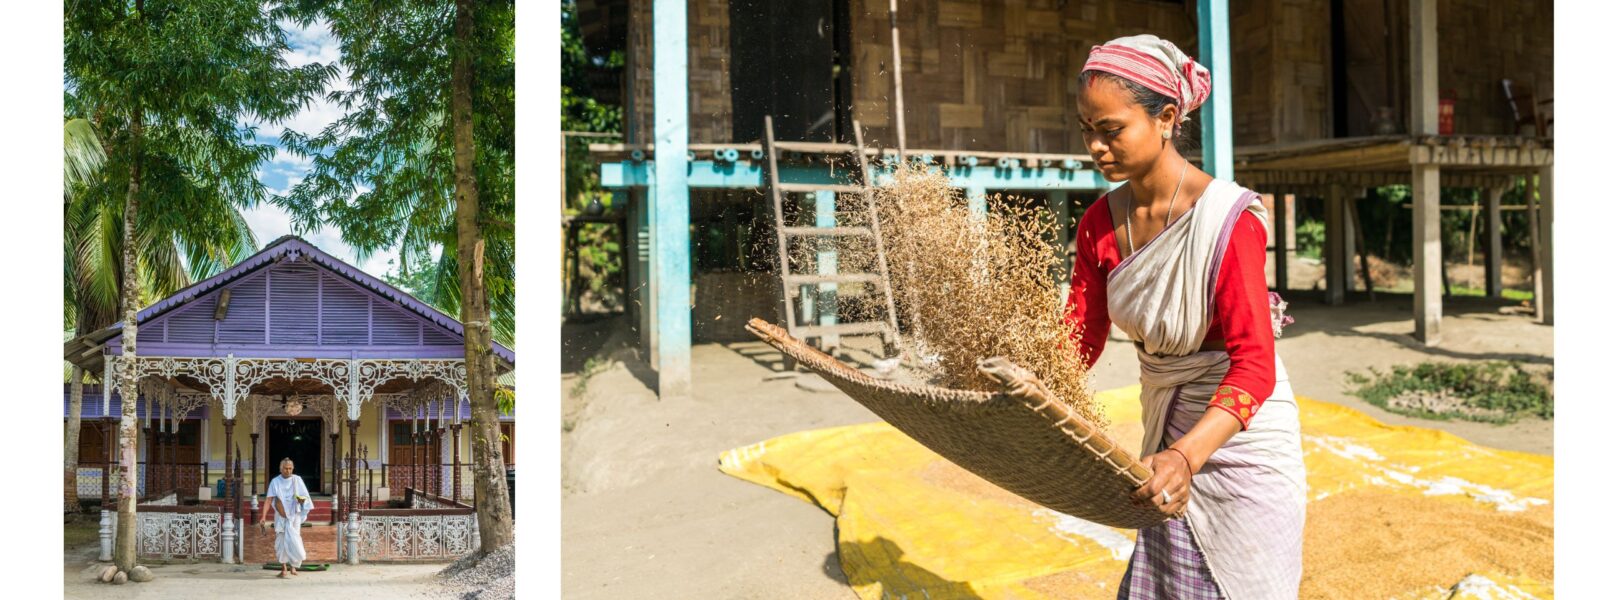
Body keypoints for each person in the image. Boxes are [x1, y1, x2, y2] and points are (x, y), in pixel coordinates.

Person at [1065, 34, 1307, 599]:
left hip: (1238, 443)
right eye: (1087, 130)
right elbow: (1078, 338)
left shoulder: (1226, 220)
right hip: (1166, 444)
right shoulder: (1100, 224)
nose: (1097, 147)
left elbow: (1254, 366)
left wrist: (1183, 457)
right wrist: (1025, 390)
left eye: (1112, 130)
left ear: (1168, 117)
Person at [258, 457, 314, 578]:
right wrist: (263, 516)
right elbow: (269, 500)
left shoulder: (297, 480)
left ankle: (293, 567)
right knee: (281, 541)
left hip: (294, 515)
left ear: (292, 468)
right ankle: (284, 568)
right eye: (285, 468)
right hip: (281, 515)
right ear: (280, 468)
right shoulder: (275, 482)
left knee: (294, 539)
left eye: (290, 468)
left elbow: (306, 497)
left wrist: (301, 500)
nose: (288, 471)